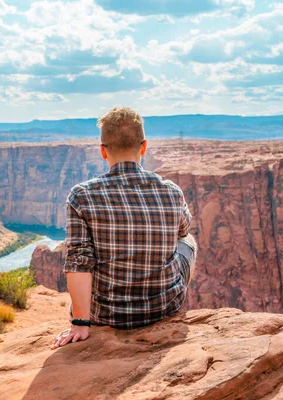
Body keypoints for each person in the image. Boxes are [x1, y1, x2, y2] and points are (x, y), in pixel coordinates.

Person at [51, 107, 197, 350]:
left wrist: (80, 323)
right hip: (163, 309)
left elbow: (78, 260)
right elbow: (183, 231)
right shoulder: (171, 191)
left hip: (105, 315)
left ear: (102, 151)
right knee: (187, 240)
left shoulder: (82, 195)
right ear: (143, 147)